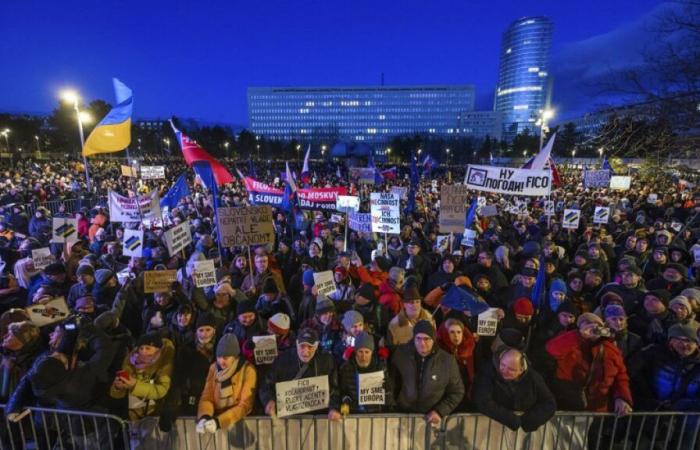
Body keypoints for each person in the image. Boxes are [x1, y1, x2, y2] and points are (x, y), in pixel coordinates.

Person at [545, 313, 633, 414]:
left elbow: (621, 377)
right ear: (580, 327)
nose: (593, 327)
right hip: (567, 407)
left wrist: (622, 398)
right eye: (587, 323)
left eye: (597, 324)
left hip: (598, 410)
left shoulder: (611, 350)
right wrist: (578, 335)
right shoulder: (570, 341)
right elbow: (551, 349)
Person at [390, 320, 464, 425]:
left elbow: (457, 392)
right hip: (402, 416)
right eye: (418, 338)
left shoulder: (447, 361)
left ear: (433, 339)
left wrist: (439, 411)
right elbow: (391, 383)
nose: (422, 343)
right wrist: (394, 406)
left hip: (430, 419)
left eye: (426, 339)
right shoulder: (401, 354)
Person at [259, 328, 341, 420]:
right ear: (297, 344)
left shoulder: (327, 361)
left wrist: (334, 408)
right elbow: (266, 385)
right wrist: (269, 400)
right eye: (302, 346)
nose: (305, 351)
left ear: (316, 345)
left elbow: (334, 389)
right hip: (288, 419)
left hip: (318, 418)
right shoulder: (283, 360)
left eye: (310, 347)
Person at [473, 347, 556, 432]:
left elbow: (549, 403)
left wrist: (529, 421)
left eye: (511, 369)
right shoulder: (488, 372)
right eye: (502, 365)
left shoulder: (534, 378)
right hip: (489, 430)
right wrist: (512, 419)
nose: (504, 371)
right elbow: (483, 401)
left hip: (523, 436)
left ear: (521, 370)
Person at [196, 334, 256, 433]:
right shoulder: (214, 368)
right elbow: (207, 397)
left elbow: (245, 405)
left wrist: (219, 422)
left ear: (235, 356)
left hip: (238, 425)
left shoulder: (248, 370)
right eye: (219, 357)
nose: (221, 361)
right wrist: (204, 417)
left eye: (226, 357)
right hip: (214, 423)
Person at [339, 331, 394, 414]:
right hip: (354, 413)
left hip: (376, 414)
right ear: (355, 352)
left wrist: (388, 391)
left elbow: (388, 400)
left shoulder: (380, 367)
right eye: (360, 352)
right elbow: (342, 392)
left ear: (372, 352)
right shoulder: (346, 368)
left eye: (367, 352)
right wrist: (345, 405)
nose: (363, 356)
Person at [436, 318, 476, 410]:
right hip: (445, 397)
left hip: (465, 394)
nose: (456, 336)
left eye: (459, 332)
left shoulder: (469, 348)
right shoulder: (439, 350)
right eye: (452, 332)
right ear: (446, 333)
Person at [386, 283, 435, 348]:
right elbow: (391, 347)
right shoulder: (394, 324)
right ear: (404, 304)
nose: (415, 305)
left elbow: (434, 341)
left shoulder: (430, 319)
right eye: (411, 302)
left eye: (417, 301)